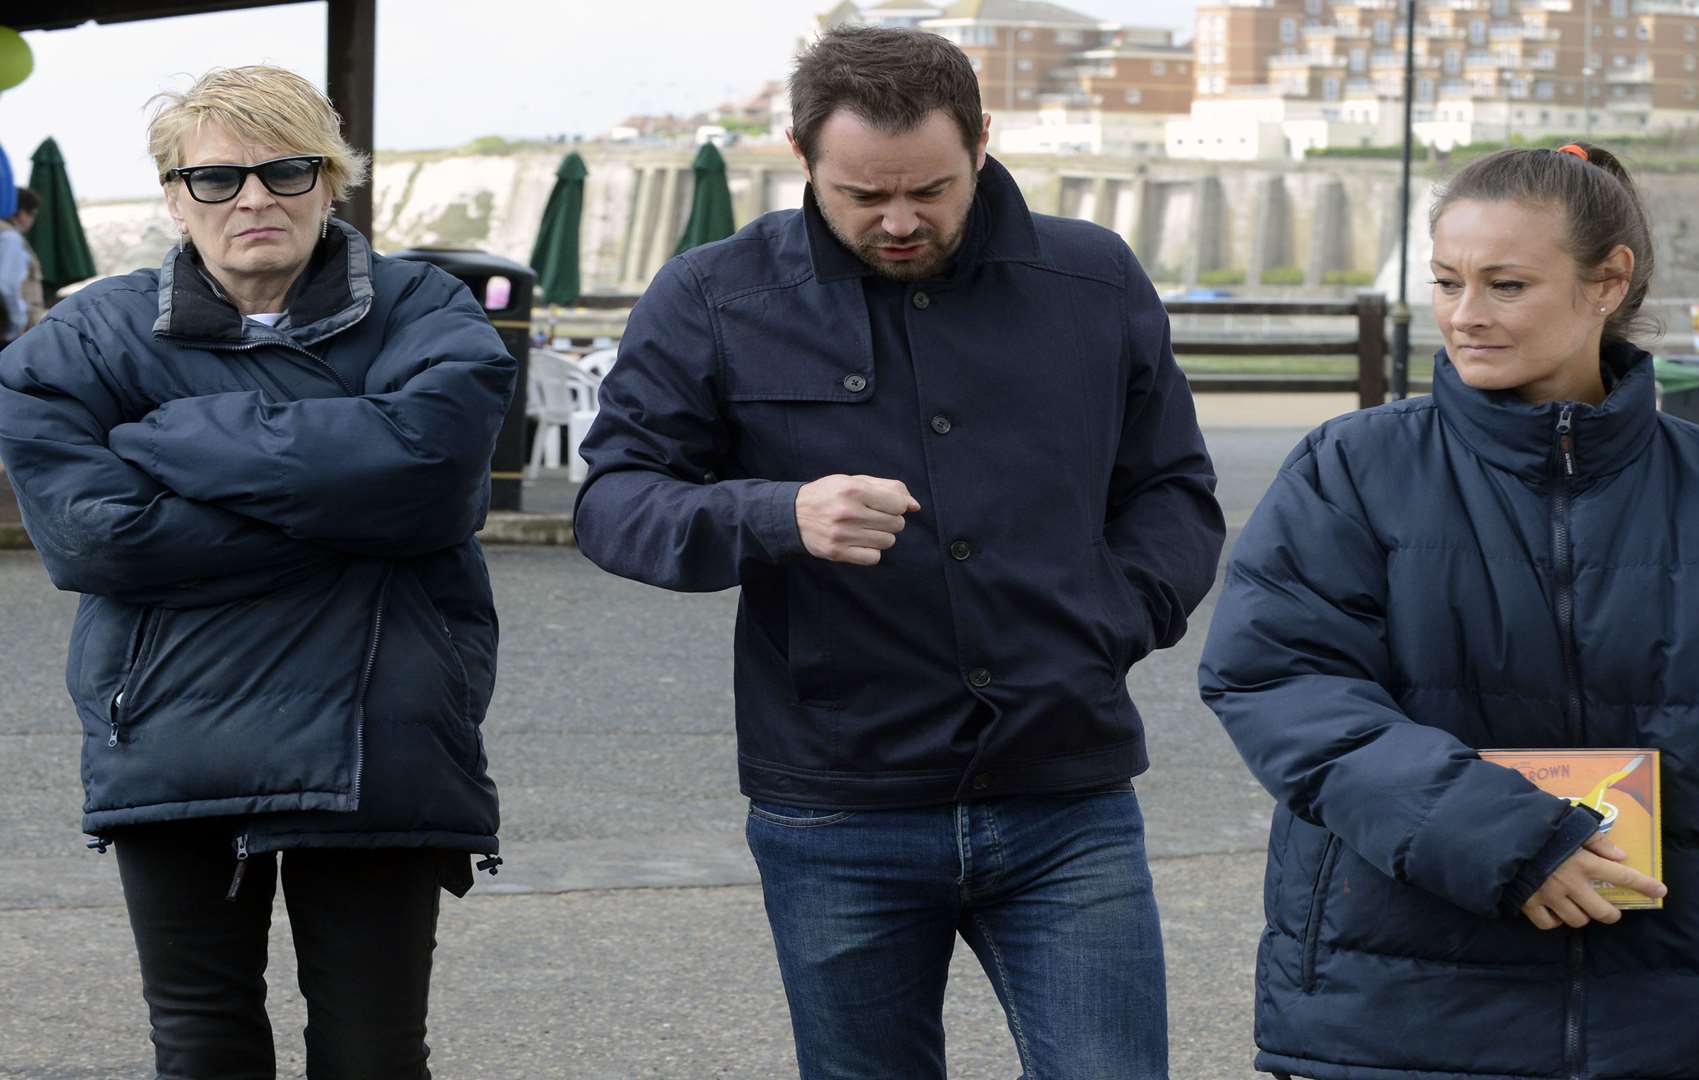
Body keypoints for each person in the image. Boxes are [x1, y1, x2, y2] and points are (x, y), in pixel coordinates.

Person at [574, 26, 1224, 1080]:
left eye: (931, 188)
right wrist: (778, 515)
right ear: (801, 160)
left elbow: (1172, 494)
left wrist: (1105, 625)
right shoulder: (711, 295)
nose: (901, 220)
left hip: (1066, 787)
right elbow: (614, 504)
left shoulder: (1094, 278)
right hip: (835, 805)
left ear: (982, 144)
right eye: (863, 196)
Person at [1198, 143, 1699, 1080]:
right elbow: (1280, 684)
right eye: (1447, 282)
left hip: (1685, 1024)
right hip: (1397, 1024)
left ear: (1606, 282)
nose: (1464, 316)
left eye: (1505, 285)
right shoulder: (1350, 472)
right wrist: (1510, 840)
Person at [0, 66, 515, 1079]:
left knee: (374, 1052)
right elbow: (95, 540)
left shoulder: (428, 311)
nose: (253, 199)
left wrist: (179, 440)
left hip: (382, 729)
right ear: (172, 196)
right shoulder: (81, 338)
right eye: (217, 179)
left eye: (286, 171)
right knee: (202, 1047)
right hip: (172, 731)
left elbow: (432, 477)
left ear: (332, 181)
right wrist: (348, 512)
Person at [0, 186, 38, 342]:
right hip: (8, 333)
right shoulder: (10, 238)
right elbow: (7, 285)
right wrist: (18, 324)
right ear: (21, 213)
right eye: (33, 214)